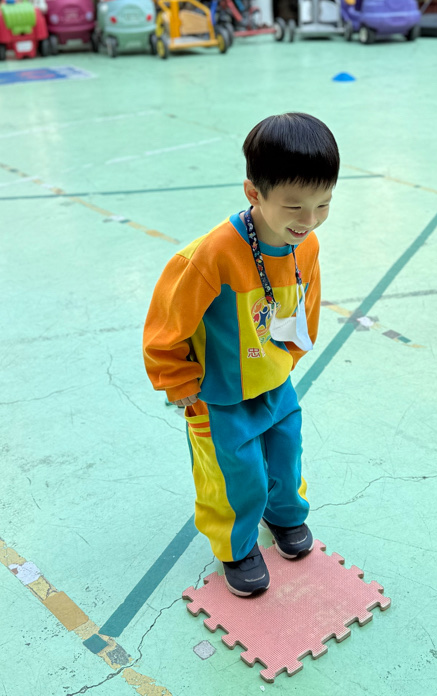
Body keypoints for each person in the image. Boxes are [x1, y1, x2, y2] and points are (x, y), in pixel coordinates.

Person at [143, 113, 338, 597]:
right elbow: (166, 326)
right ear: (254, 193)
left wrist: (289, 358)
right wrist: (181, 386)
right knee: (235, 475)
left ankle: (284, 515)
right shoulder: (210, 256)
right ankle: (237, 545)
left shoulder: (306, 245)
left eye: (323, 205)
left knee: (286, 456)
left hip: (275, 381)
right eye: (294, 206)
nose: (308, 220)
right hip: (221, 394)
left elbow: (306, 304)